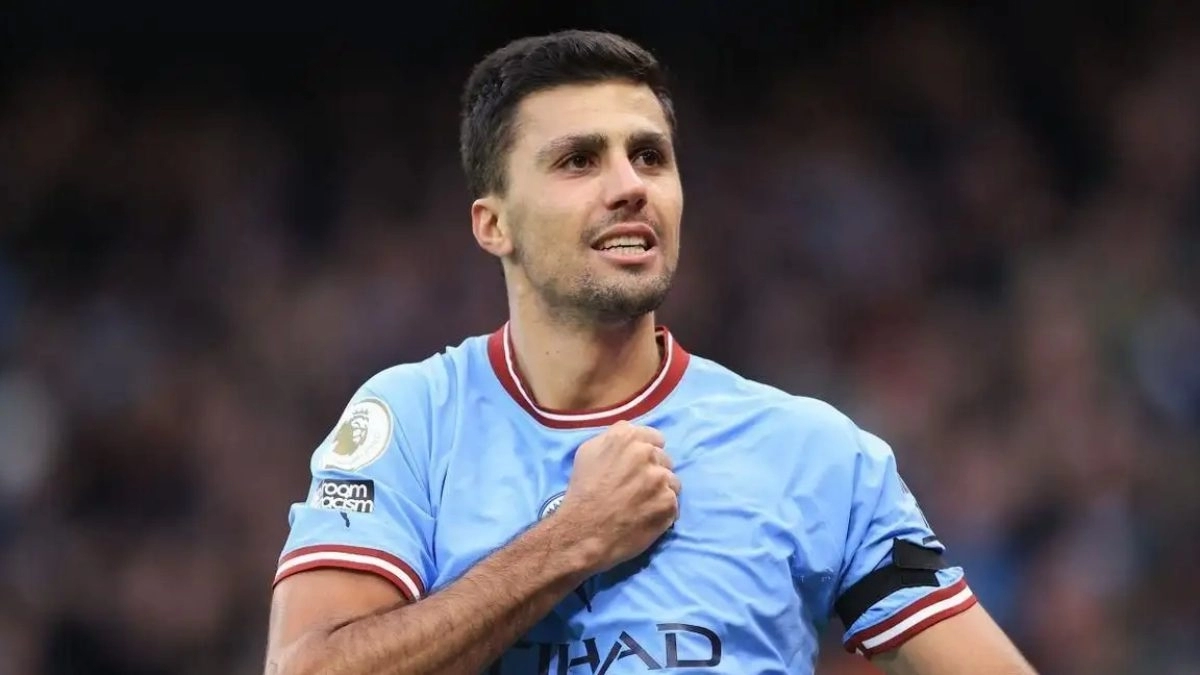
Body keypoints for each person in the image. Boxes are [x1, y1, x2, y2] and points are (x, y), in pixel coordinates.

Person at [263, 30, 1036, 675]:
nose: (629, 185)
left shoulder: (814, 453)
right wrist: (569, 541)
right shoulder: (412, 422)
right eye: (579, 161)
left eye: (650, 156)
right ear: (492, 223)